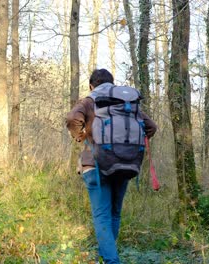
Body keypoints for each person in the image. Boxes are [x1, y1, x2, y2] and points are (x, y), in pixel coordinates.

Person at [66, 69, 157, 263]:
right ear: (112, 83)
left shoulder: (90, 101)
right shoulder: (126, 104)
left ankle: (110, 260)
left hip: (95, 164)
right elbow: (151, 127)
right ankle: (108, 257)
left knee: (101, 216)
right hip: (125, 163)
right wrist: (129, 145)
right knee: (115, 213)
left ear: (92, 85)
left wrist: (79, 136)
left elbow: (72, 118)